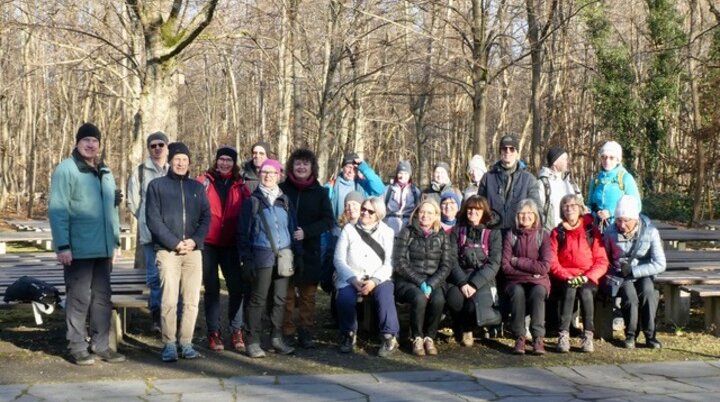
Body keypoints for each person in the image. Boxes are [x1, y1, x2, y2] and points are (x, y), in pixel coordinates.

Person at [49, 122, 125, 365]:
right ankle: (77, 346)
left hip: (103, 249)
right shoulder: (66, 170)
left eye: (95, 141)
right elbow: (57, 210)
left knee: (102, 299)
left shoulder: (105, 171)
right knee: (79, 299)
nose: (91, 145)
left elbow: (112, 212)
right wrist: (63, 246)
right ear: (78, 143)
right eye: (86, 141)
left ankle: (101, 345)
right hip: (78, 249)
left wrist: (115, 243)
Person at [146, 142, 211, 362]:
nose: (181, 163)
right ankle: (169, 344)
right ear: (170, 161)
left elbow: (206, 218)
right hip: (168, 251)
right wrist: (174, 243)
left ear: (189, 162)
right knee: (169, 300)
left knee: (192, 300)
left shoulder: (197, 188)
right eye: (177, 159)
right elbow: (153, 220)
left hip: (193, 251)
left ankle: (186, 343)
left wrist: (195, 240)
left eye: (184, 159)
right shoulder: (157, 186)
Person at [237, 159, 300, 358]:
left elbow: (293, 228)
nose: (268, 176)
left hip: (285, 255)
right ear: (260, 174)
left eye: (272, 173)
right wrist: (246, 259)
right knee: (258, 299)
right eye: (265, 172)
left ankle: (276, 338)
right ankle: (253, 341)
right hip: (261, 254)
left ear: (279, 175)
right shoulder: (252, 201)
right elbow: (242, 233)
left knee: (281, 299)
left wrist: (296, 253)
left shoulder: (286, 201)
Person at [280, 149, 334, 348]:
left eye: (305, 164)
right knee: (285, 294)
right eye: (297, 164)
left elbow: (328, 220)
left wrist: (307, 232)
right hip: (285, 249)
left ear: (312, 167)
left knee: (308, 296)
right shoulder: (281, 189)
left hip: (310, 250)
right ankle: (286, 330)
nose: (301, 167)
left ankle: (306, 331)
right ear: (291, 167)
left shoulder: (320, 192)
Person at [198, 146, 251, 352]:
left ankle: (236, 329)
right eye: (221, 159)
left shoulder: (241, 185)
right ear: (216, 161)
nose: (225, 163)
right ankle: (214, 332)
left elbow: (247, 213)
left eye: (229, 160)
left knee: (236, 288)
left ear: (234, 163)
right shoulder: (203, 181)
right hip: (209, 243)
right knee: (211, 289)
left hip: (231, 244)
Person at [334, 197, 399, 356]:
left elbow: (389, 262)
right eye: (363, 208)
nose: (365, 213)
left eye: (370, 211)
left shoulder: (387, 232)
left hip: (378, 277)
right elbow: (339, 259)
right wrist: (352, 279)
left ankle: (389, 336)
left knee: (385, 295)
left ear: (378, 214)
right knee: (345, 298)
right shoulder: (349, 229)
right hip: (352, 276)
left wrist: (374, 281)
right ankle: (348, 334)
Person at [603, 195, 666, 349]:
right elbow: (605, 257)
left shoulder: (650, 231)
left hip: (643, 272)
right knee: (630, 298)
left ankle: (650, 336)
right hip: (621, 274)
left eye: (626, 220)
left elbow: (660, 263)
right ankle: (631, 335)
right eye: (618, 220)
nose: (621, 225)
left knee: (648, 293)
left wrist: (634, 271)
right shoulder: (610, 232)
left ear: (635, 218)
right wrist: (615, 270)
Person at [393, 198, 453, 356]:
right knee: (419, 298)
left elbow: (446, 265)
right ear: (416, 213)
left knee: (439, 299)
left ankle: (429, 337)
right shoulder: (407, 232)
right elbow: (399, 262)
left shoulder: (442, 236)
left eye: (429, 213)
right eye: (422, 212)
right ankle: (417, 337)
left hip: (434, 280)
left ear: (436, 216)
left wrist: (431, 284)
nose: (425, 215)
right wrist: (420, 282)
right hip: (409, 280)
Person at [549, 194, 608, 353]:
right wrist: (566, 275)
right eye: (566, 206)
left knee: (586, 291)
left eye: (573, 205)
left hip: (588, 275)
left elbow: (602, 260)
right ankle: (563, 334)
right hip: (565, 275)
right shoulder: (557, 232)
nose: (569, 209)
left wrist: (588, 276)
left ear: (580, 208)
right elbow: (552, 261)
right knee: (569, 289)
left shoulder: (591, 230)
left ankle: (588, 334)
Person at [126, 131, 169, 332]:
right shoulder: (140, 172)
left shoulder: (175, 168)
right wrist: (145, 219)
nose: (157, 148)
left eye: (161, 144)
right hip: (150, 234)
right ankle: (156, 316)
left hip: (172, 234)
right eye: (153, 145)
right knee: (153, 276)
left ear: (167, 147)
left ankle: (172, 315)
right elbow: (133, 202)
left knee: (170, 276)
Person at [446, 195, 502, 347]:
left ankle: (468, 329)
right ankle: (458, 325)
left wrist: (474, 284)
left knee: (473, 305)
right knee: (454, 299)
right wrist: (462, 282)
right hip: (460, 276)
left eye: (477, 209)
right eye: (470, 208)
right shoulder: (457, 232)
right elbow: (451, 259)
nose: (473, 212)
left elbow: (493, 263)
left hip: (482, 278)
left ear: (484, 212)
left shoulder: (494, 234)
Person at [501, 199, 552, 355]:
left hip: (539, 281)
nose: (525, 216)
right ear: (517, 216)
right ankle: (520, 336)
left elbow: (544, 266)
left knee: (538, 293)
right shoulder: (511, 235)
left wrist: (518, 261)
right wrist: (530, 270)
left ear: (535, 215)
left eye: (529, 213)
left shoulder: (543, 235)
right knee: (517, 293)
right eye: (522, 213)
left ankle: (538, 338)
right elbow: (505, 266)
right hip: (514, 281)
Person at [478, 134, 541, 230]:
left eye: (512, 149)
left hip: (518, 234)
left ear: (517, 153)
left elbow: (537, 210)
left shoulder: (529, 179)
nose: (508, 151)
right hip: (493, 234)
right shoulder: (488, 178)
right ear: (500, 151)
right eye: (504, 148)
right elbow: (479, 207)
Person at [587, 140, 641, 231]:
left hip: (619, 230)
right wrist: (593, 212)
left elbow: (637, 206)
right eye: (604, 157)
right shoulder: (596, 180)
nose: (607, 161)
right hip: (597, 230)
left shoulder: (625, 178)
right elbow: (590, 204)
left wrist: (611, 213)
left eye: (611, 158)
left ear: (618, 160)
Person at [326, 152, 385, 222]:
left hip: (358, 227)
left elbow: (380, 189)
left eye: (355, 168)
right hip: (336, 228)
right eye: (348, 167)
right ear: (343, 167)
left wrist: (364, 168)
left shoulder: (362, 185)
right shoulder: (331, 186)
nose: (351, 171)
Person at [537, 147, 582, 231]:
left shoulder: (571, 182)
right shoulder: (543, 184)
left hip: (573, 232)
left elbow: (581, 205)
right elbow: (538, 211)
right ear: (555, 162)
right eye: (564, 159)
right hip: (553, 233)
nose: (567, 162)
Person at [383, 160, 422, 236]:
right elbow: (380, 207)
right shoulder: (388, 189)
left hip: (407, 228)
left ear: (410, 175)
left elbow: (418, 210)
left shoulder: (415, 191)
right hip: (389, 227)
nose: (402, 176)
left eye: (405, 173)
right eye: (400, 173)